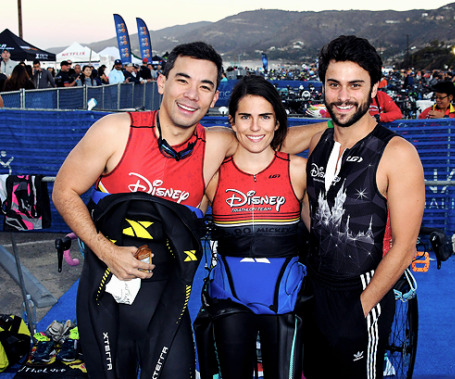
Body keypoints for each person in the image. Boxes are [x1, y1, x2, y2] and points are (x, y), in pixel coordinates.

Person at [52, 41, 324, 379]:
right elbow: (64, 191)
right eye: (183, 80)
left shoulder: (216, 144)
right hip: (106, 293)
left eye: (205, 86)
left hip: (168, 300)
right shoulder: (116, 131)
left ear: (213, 99)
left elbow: (266, 140)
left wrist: (341, 127)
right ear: (162, 83)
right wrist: (107, 251)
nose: (192, 93)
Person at [303, 35, 425, 378]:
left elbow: (404, 248)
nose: (343, 96)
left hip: (361, 294)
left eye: (355, 85)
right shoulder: (318, 140)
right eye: (334, 85)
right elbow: (311, 215)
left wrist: (359, 310)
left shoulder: (398, 153)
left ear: (374, 90)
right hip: (314, 291)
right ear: (323, 87)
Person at [197, 75, 307, 379]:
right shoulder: (213, 174)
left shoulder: (298, 170)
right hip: (228, 300)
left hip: (284, 301)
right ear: (232, 121)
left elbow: (324, 235)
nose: (255, 127)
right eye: (245, 117)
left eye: (265, 117)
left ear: (276, 122)